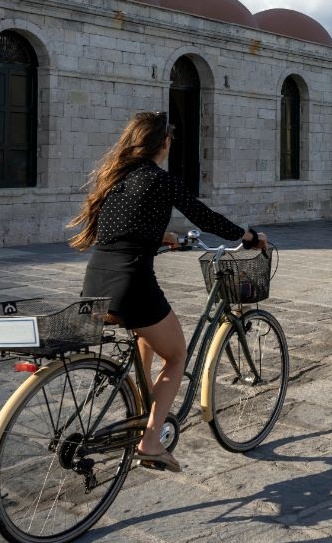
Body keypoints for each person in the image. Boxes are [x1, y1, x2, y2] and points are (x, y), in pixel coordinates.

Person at [67, 110, 266, 473]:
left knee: (146, 334)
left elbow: (117, 229)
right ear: (164, 143)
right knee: (176, 356)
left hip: (96, 280)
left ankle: (141, 410)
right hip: (132, 283)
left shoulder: (117, 177)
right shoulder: (160, 180)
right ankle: (151, 442)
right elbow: (205, 217)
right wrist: (248, 237)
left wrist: (161, 236)